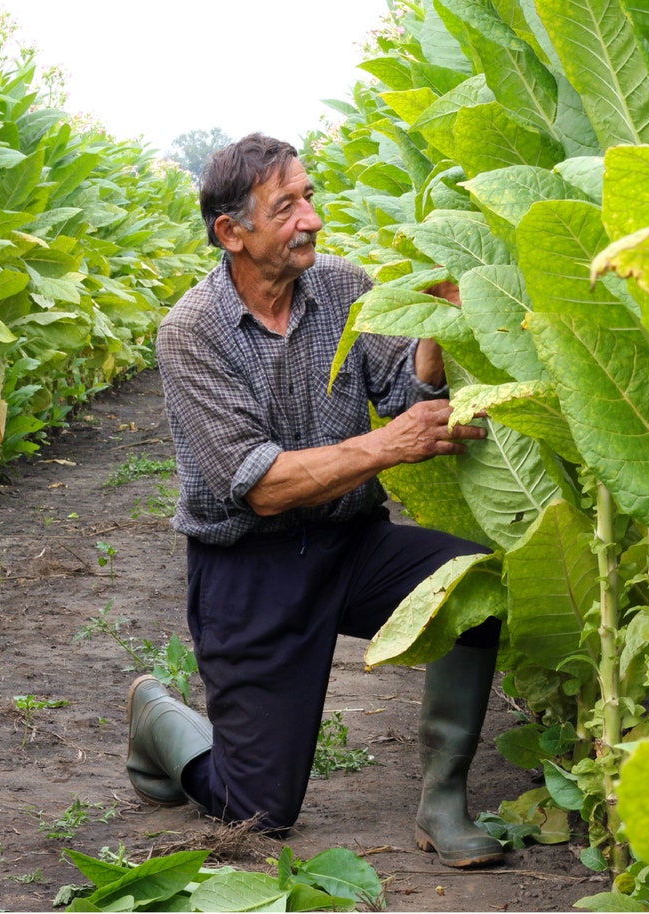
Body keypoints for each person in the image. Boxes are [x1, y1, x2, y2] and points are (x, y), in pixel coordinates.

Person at [125, 133, 504, 868]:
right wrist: (388, 445)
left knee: (476, 586)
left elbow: (403, 390)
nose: (312, 219)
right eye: (286, 206)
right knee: (257, 811)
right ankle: (157, 720)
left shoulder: (343, 286)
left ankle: (444, 801)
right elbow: (261, 486)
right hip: (248, 568)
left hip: (352, 543)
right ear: (231, 233)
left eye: (308, 197)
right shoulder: (191, 333)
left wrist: (433, 329)